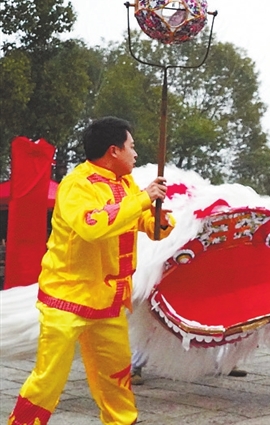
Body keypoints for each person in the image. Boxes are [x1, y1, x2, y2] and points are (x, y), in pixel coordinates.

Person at [7, 116, 174, 425]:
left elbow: (141, 222)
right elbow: (92, 226)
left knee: (117, 374)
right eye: (132, 147)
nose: (136, 154)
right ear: (114, 150)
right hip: (67, 298)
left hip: (109, 301)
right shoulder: (77, 184)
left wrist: (160, 220)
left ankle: (122, 421)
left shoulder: (126, 184)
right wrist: (142, 200)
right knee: (48, 378)